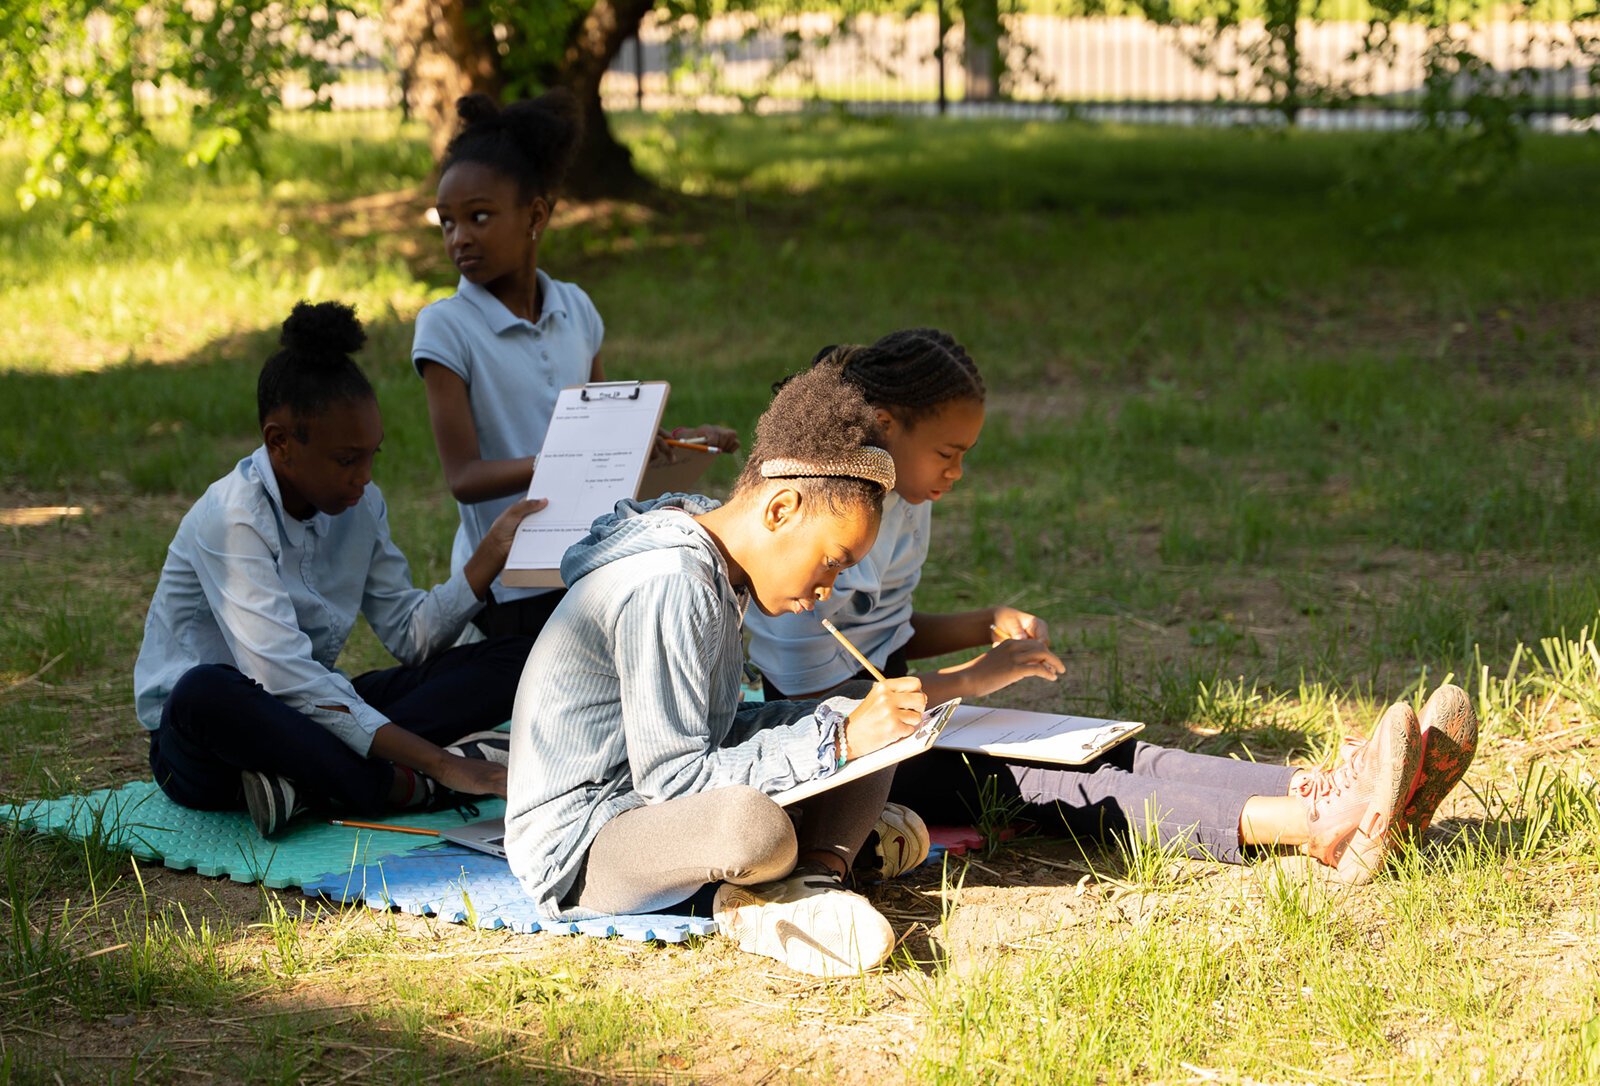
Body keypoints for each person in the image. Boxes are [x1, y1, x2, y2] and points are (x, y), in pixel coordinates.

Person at [746, 329, 1479, 883]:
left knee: (1113, 751)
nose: (958, 472)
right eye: (947, 453)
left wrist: (982, 626)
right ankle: (1319, 827)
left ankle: (1331, 793)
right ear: (885, 424)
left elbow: (882, 636)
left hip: (902, 717)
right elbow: (821, 700)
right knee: (1064, 784)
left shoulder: (895, 507)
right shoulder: (818, 535)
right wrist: (971, 678)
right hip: (857, 756)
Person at [503, 364, 929, 977]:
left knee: (857, 702)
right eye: (832, 562)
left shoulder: (721, 568)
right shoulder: (670, 582)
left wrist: (847, 725)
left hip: (658, 805)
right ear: (781, 510)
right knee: (754, 829)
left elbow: (713, 731)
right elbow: (673, 782)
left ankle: (813, 877)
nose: (829, 589)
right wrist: (836, 744)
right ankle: (795, 867)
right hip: (587, 845)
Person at [134, 301, 543, 838]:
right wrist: (445, 764)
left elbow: (411, 636)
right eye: (347, 460)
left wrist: (489, 554)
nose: (364, 476)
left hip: (310, 715)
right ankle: (402, 784)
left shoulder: (362, 505)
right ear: (280, 444)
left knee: (518, 657)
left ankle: (302, 786)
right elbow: (283, 680)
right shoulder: (231, 518)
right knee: (202, 691)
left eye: (373, 456)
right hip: (210, 743)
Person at [413, 90, 738, 639]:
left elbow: (607, 435)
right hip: (511, 585)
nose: (459, 237)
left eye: (479, 217)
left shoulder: (576, 307)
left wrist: (677, 444)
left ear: (536, 215)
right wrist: (563, 460)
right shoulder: (446, 327)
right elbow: (463, 478)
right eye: (447, 222)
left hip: (592, 558)